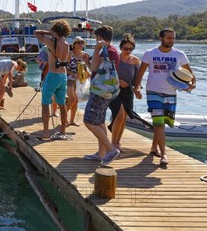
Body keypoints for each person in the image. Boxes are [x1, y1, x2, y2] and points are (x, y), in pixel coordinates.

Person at [133, 28, 196, 166]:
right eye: (168, 38)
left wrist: (192, 84)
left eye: (173, 38)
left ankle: (154, 148)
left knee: (163, 123)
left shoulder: (179, 54)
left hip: (171, 92)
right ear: (160, 38)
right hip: (153, 91)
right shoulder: (150, 54)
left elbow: (189, 73)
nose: (171, 41)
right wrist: (136, 87)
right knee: (159, 123)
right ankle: (164, 154)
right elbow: (141, 72)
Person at [83, 25, 121, 166]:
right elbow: (96, 70)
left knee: (89, 121)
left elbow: (93, 69)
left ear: (99, 38)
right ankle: (101, 153)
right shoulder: (113, 51)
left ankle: (111, 150)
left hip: (100, 91)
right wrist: (88, 60)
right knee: (99, 121)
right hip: (108, 90)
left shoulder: (105, 51)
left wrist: (96, 50)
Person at [34, 20, 71, 140]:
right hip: (63, 76)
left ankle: (45, 133)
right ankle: (63, 132)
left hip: (52, 75)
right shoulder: (67, 44)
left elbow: (36, 33)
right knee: (62, 105)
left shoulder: (51, 42)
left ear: (55, 30)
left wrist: (49, 33)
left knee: (45, 104)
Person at [108, 34, 141, 151]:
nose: (128, 51)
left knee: (123, 118)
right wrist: (119, 81)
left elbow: (137, 79)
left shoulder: (135, 60)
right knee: (119, 115)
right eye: (126, 48)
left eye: (131, 49)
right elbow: (109, 74)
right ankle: (112, 143)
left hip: (128, 91)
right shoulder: (116, 58)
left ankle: (117, 142)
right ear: (121, 48)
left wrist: (138, 89)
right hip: (115, 90)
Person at [66, 36, 91, 127]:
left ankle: (72, 120)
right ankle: (64, 117)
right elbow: (64, 68)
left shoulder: (84, 54)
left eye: (82, 43)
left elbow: (86, 67)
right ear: (74, 45)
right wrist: (73, 74)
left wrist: (89, 73)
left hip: (80, 81)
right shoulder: (70, 54)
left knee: (76, 101)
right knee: (72, 100)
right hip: (70, 79)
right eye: (78, 43)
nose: (81, 44)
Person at [36, 46, 59, 116]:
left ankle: (54, 111)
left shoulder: (59, 46)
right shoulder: (45, 48)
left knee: (56, 94)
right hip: (46, 73)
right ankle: (46, 112)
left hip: (57, 74)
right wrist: (43, 61)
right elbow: (37, 59)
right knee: (47, 94)